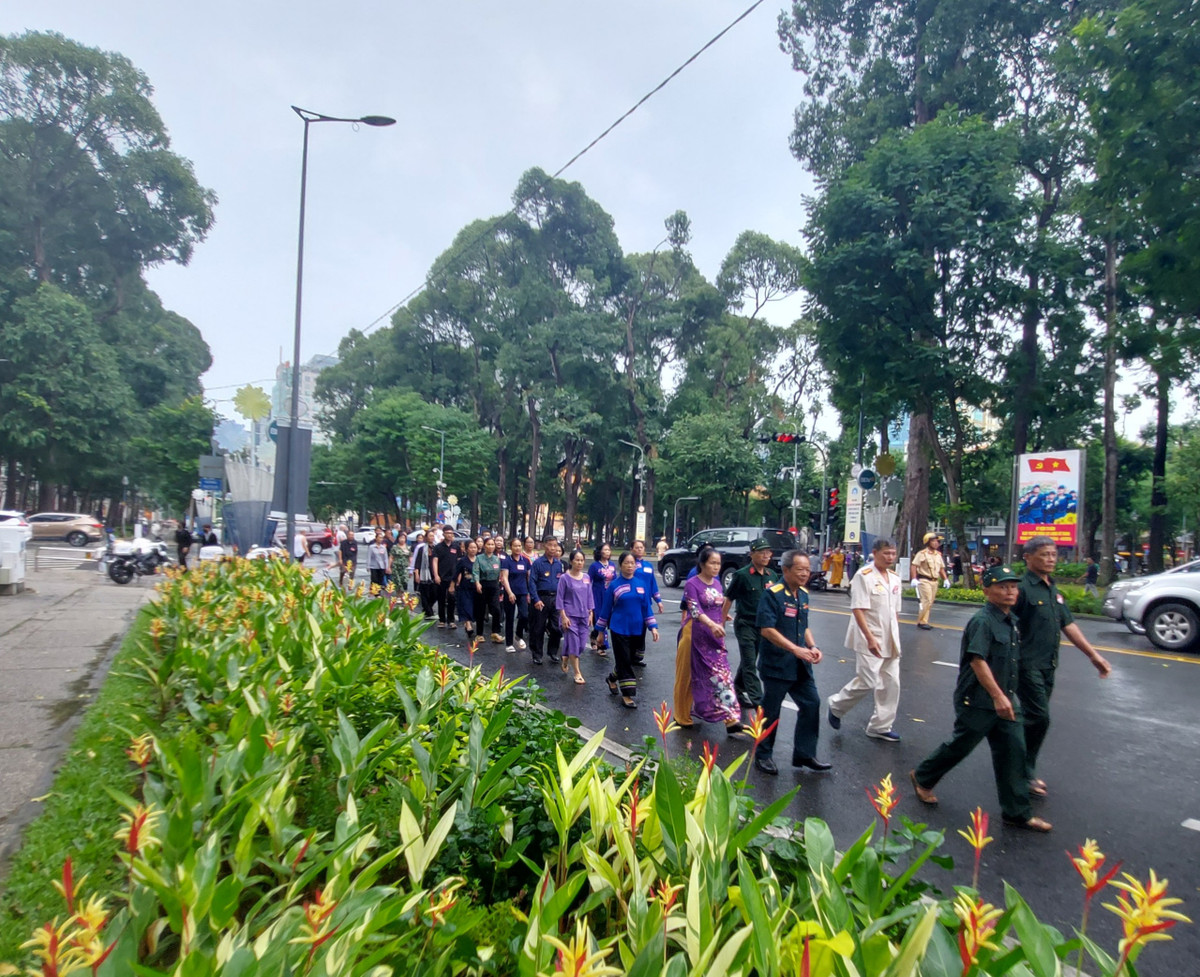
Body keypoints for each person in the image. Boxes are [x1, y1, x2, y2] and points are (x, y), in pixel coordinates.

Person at [910, 566, 1052, 832]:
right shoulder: (983, 621)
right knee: (961, 745)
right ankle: (923, 776)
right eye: (1002, 587)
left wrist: (1010, 696)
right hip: (978, 699)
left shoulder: (1011, 621)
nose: (1010, 592)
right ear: (987, 591)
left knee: (1014, 752)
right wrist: (997, 696)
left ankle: (1017, 813)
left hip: (1005, 700)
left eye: (1013, 587)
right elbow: (977, 661)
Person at [1015, 536, 1112, 798]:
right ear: (1028, 557)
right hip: (1026, 664)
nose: (1050, 559)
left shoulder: (1052, 589)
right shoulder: (1021, 589)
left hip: (1048, 664)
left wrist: (1093, 656)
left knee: (1034, 719)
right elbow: (1004, 623)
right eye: (1044, 554)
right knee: (1039, 717)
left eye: (1053, 554)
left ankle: (1021, 765)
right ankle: (1022, 771)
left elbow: (1068, 625)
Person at [754, 550, 829, 774]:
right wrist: (795, 649)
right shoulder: (772, 595)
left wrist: (813, 647)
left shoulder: (803, 594)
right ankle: (763, 755)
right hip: (777, 664)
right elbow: (767, 629)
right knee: (771, 711)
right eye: (800, 569)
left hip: (800, 664)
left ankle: (805, 753)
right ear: (786, 570)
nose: (805, 574)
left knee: (812, 703)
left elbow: (803, 626)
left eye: (807, 569)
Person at [828, 537, 903, 741]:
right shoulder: (864, 576)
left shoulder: (895, 578)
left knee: (891, 683)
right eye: (886, 553)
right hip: (870, 636)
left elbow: (895, 611)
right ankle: (836, 705)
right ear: (875, 553)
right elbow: (858, 609)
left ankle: (880, 726)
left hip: (890, 637)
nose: (890, 557)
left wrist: (895, 634)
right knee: (868, 680)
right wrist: (869, 638)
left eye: (893, 553)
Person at [674, 546, 744, 736]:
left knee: (722, 674)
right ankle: (681, 715)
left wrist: (721, 617)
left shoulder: (718, 584)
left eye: (718, 563)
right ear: (702, 563)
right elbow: (695, 610)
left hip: (713, 635)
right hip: (694, 633)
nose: (716, 567)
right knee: (687, 675)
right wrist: (712, 623)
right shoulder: (692, 584)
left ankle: (731, 719)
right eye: (712, 563)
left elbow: (716, 606)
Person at [596, 551, 659, 708]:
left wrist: (653, 627)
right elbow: (605, 610)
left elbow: (646, 608)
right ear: (620, 565)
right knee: (624, 661)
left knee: (629, 659)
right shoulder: (614, 586)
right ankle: (627, 695)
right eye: (626, 563)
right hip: (619, 629)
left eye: (632, 563)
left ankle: (612, 678)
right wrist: (600, 632)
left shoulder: (641, 584)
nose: (630, 566)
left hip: (637, 629)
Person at [721, 538, 777, 709]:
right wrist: (720, 624)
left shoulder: (772, 576)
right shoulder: (742, 575)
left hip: (764, 627)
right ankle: (759, 701)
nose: (766, 556)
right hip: (746, 624)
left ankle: (737, 689)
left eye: (768, 552)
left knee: (749, 661)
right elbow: (728, 599)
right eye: (761, 552)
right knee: (750, 662)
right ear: (752, 554)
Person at [557, 548, 595, 684]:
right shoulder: (564, 578)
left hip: (583, 615)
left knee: (581, 645)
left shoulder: (586, 578)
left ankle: (565, 656)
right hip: (570, 616)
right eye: (577, 560)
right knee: (574, 643)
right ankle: (577, 672)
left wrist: (591, 612)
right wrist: (563, 616)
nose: (579, 563)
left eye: (582, 560)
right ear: (571, 561)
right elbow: (559, 598)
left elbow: (589, 596)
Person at [529, 536, 564, 664]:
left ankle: (553, 651)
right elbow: (532, 582)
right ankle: (537, 654)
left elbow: (561, 583)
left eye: (555, 545)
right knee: (538, 627)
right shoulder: (538, 563)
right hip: (541, 598)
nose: (553, 548)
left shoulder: (558, 564)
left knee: (557, 627)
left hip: (555, 598)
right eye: (550, 545)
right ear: (545, 546)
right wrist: (536, 599)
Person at [631, 539, 664, 666]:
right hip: (633, 601)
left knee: (642, 629)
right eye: (637, 547)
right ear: (632, 549)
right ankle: (629, 655)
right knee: (633, 628)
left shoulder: (648, 566)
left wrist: (658, 601)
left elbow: (653, 584)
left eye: (641, 547)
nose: (639, 549)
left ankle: (637, 657)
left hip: (645, 603)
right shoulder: (630, 564)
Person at [911, 532, 949, 630]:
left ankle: (924, 621)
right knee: (926, 600)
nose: (936, 543)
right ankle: (922, 621)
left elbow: (941, 569)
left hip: (934, 581)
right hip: (924, 580)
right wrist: (914, 578)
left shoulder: (938, 555)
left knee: (930, 602)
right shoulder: (922, 554)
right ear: (928, 542)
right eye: (933, 541)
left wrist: (945, 579)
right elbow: (914, 565)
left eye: (937, 541)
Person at [500, 538, 531, 654]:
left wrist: (529, 592)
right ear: (511, 547)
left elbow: (529, 577)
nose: (517, 548)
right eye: (515, 546)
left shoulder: (525, 561)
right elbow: (504, 578)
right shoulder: (507, 561)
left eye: (519, 546)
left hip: (522, 592)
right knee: (510, 618)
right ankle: (509, 644)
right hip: (510, 593)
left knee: (524, 615)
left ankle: (518, 634)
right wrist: (509, 593)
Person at [473, 536, 504, 643]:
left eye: (492, 544)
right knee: (481, 610)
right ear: (484, 546)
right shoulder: (479, 558)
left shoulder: (496, 559)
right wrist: (477, 583)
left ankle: (495, 632)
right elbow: (475, 572)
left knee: (496, 609)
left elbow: (500, 573)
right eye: (488, 544)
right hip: (482, 585)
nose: (490, 546)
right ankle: (479, 634)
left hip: (494, 586)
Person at [588, 543, 617, 655]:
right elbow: (588, 582)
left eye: (609, 550)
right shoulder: (594, 566)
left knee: (608, 617)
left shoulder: (612, 565)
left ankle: (594, 635)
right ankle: (602, 645)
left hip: (609, 595)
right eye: (605, 550)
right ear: (600, 552)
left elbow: (615, 580)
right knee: (600, 617)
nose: (607, 552)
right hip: (597, 595)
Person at [431, 525, 461, 629]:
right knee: (441, 599)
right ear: (443, 534)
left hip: (453, 577)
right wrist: (436, 575)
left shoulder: (456, 547)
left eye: (451, 533)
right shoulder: (438, 547)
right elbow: (435, 561)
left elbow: (459, 562)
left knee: (452, 599)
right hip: (441, 577)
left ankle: (451, 620)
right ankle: (442, 620)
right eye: (447, 533)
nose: (449, 535)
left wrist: (459, 576)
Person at [454, 540, 478, 639]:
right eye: (471, 547)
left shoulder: (479, 560)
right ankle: (468, 625)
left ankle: (470, 623)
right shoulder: (462, 561)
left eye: (475, 547)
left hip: (477, 587)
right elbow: (456, 573)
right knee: (466, 606)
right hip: (465, 587)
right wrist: (452, 584)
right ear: (467, 549)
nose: (473, 549)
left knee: (474, 607)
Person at [411, 529, 437, 619]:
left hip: (434, 573)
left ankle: (426, 609)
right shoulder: (422, 548)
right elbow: (417, 562)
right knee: (425, 594)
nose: (432, 538)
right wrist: (416, 573)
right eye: (430, 536)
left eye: (433, 536)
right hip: (424, 573)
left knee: (435, 593)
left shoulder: (436, 548)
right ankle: (429, 612)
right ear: (426, 537)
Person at [366, 530, 391, 594]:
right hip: (374, 566)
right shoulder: (372, 547)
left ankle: (378, 592)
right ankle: (374, 592)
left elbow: (385, 558)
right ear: (376, 538)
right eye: (379, 537)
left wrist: (387, 567)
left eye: (381, 538)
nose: (380, 539)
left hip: (381, 566)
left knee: (380, 579)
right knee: (374, 579)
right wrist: (368, 566)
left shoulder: (383, 548)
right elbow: (369, 556)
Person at [337, 526, 358, 591]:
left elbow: (356, 552)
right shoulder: (343, 543)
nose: (351, 536)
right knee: (342, 572)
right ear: (347, 535)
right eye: (350, 535)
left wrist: (354, 562)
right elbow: (340, 551)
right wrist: (340, 559)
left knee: (352, 574)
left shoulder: (355, 543)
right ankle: (340, 583)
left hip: (352, 560)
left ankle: (350, 585)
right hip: (344, 560)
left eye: (352, 535)